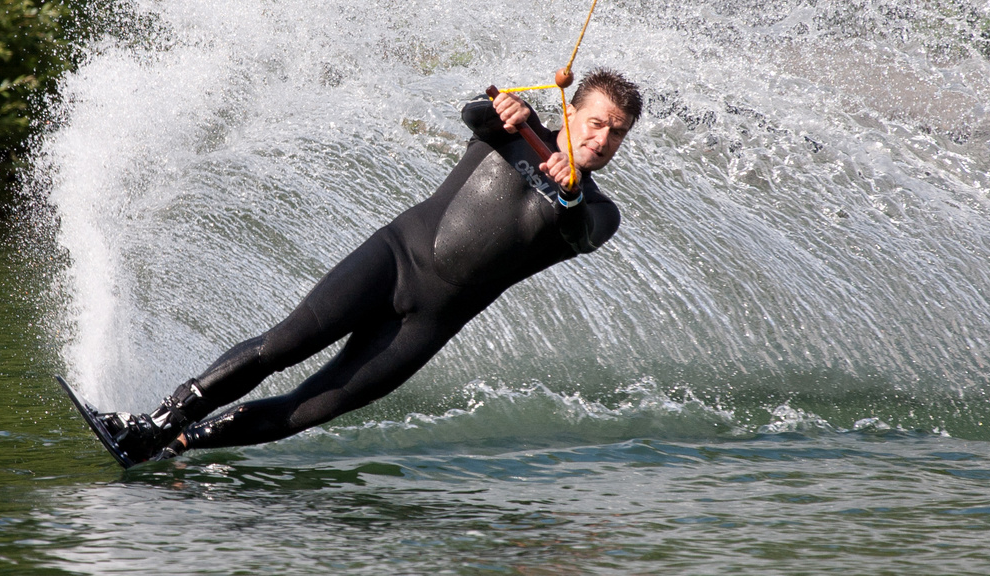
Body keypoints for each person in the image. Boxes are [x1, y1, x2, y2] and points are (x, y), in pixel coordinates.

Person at [89, 68, 642, 466]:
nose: (602, 140)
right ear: (571, 111)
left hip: (430, 320)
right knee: (283, 346)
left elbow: (578, 231)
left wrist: (566, 189)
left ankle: (174, 446)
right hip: (395, 259)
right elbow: (474, 109)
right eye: (596, 123)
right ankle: (155, 421)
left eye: (616, 133)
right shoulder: (516, 134)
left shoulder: (597, 210)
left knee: (312, 408)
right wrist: (509, 103)